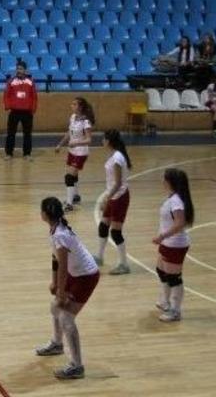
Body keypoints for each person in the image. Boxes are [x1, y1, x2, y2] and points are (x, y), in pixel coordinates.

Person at [34, 197, 100, 380]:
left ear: (45, 214)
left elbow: (63, 265)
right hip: (75, 273)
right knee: (55, 307)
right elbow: (56, 258)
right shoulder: (56, 229)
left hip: (86, 276)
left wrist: (61, 290)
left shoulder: (60, 235)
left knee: (66, 317)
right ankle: (57, 344)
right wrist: (54, 282)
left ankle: (77, 366)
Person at [152, 168, 195, 322]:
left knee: (173, 278)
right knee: (161, 270)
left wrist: (162, 236)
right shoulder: (173, 198)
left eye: (164, 178)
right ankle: (165, 300)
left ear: (170, 181)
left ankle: (175, 311)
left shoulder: (176, 201)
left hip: (175, 244)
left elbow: (180, 223)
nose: (162, 181)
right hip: (167, 243)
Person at [95, 129, 132, 275]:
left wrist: (106, 198)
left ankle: (124, 264)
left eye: (103, 139)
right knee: (103, 226)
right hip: (114, 196)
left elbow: (117, 183)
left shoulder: (117, 158)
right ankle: (99, 257)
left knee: (116, 232)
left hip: (119, 197)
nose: (102, 141)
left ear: (108, 141)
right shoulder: (115, 155)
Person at [54, 97, 94, 212]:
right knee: (74, 175)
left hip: (81, 152)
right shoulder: (73, 117)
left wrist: (76, 142)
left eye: (74, 104)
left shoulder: (85, 121)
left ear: (80, 107)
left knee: (69, 177)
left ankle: (69, 204)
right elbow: (69, 133)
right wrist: (60, 144)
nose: (72, 106)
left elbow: (89, 140)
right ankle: (75, 196)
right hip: (72, 151)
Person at [3, 61, 37, 161]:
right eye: (17, 69)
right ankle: (9, 153)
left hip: (27, 113)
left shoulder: (30, 82)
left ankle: (27, 154)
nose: (19, 71)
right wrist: (8, 106)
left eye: (21, 69)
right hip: (14, 112)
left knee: (27, 134)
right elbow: (6, 95)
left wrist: (33, 109)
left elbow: (34, 96)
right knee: (10, 133)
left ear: (25, 70)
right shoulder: (11, 81)